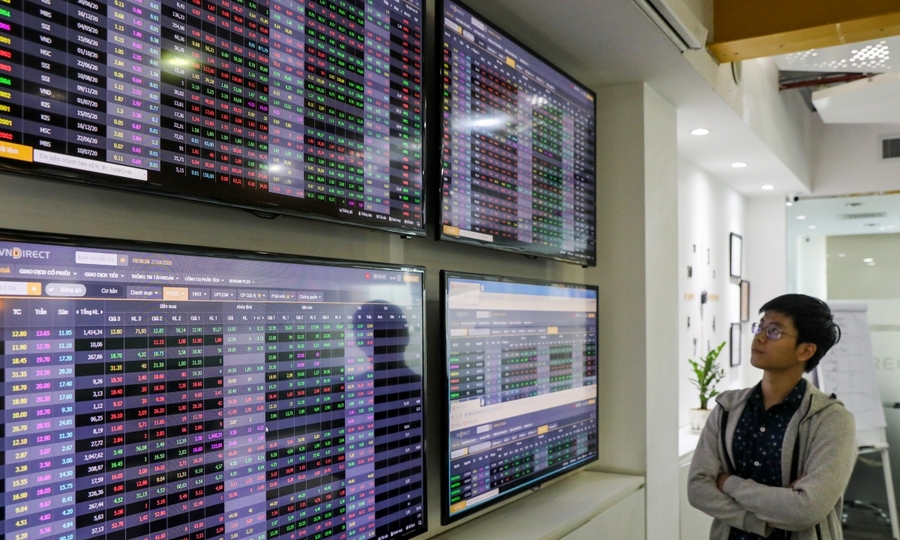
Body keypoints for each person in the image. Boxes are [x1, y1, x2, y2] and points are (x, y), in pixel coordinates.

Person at [688, 294, 857, 540]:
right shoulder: (728, 408)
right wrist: (761, 518)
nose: (759, 337)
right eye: (760, 327)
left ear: (805, 350)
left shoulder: (831, 420)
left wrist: (727, 483)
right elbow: (698, 488)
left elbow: (807, 509)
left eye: (774, 331)